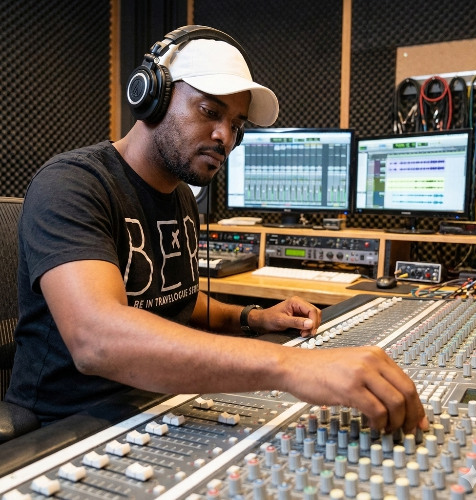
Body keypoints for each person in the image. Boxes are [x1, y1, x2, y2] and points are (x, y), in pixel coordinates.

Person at [5, 25, 427, 434]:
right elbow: (96, 339)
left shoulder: (182, 198)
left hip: (160, 404)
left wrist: (254, 317)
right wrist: (291, 366)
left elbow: (175, 299)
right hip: (67, 428)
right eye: (210, 111)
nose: (225, 137)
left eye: (237, 125)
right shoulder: (72, 185)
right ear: (153, 95)